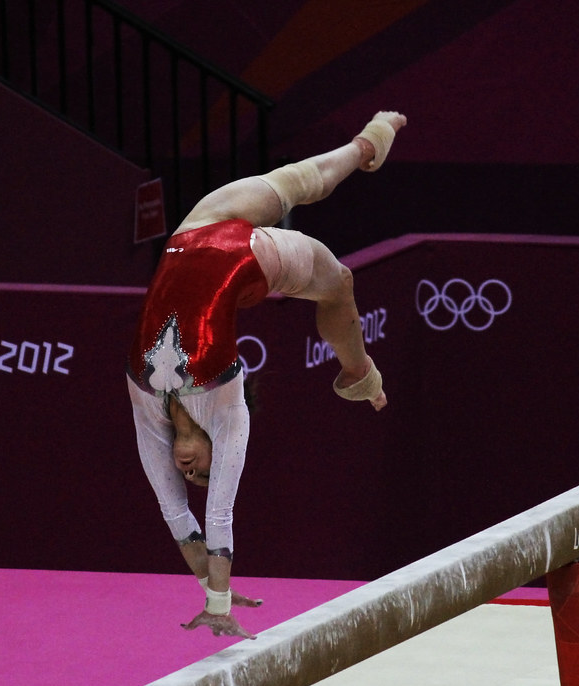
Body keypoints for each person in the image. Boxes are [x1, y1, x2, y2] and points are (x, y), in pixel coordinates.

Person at [126, 111, 407, 638]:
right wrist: (218, 598)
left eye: (189, 474)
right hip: (253, 261)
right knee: (339, 279)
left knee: (295, 182)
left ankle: (365, 147)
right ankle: (359, 373)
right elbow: (218, 514)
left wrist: (215, 590)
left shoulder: (145, 402)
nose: (188, 470)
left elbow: (174, 513)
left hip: (196, 230)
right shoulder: (227, 406)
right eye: (200, 471)